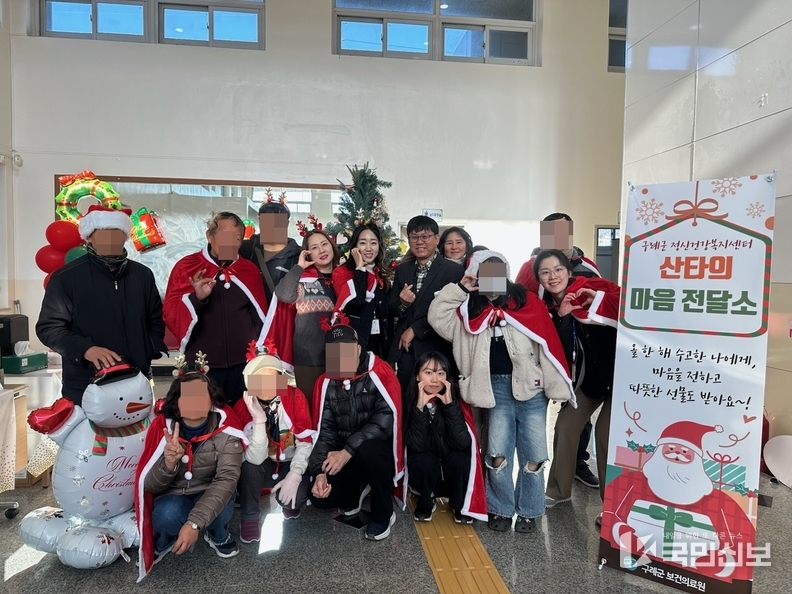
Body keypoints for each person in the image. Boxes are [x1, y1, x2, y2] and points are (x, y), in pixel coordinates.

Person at [428, 250, 574, 533]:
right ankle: (501, 508)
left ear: (506, 274)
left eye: (498, 273)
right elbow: (436, 315)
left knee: (534, 456)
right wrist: (460, 288)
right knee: (497, 454)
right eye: (486, 274)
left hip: (532, 389)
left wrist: (556, 386)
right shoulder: (469, 310)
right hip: (494, 389)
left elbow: (546, 344)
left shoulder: (526, 301)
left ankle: (529, 510)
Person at [36, 205, 167, 406]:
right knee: (89, 428)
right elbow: (49, 328)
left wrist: (150, 348)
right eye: (104, 232)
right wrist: (86, 349)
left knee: (139, 427)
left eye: (117, 232)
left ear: (125, 236)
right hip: (86, 381)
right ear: (89, 237)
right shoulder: (66, 278)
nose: (111, 239)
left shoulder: (142, 275)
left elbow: (155, 319)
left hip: (136, 379)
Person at [602, 421, 755, 582]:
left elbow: (744, 537)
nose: (677, 454)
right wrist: (622, 532)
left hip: (695, 577)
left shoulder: (720, 501)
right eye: (670, 449)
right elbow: (610, 510)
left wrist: (723, 561)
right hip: (635, 562)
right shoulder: (632, 481)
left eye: (684, 451)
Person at [516, 212, 602, 490]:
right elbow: (518, 305)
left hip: (585, 354)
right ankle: (537, 467)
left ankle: (577, 463)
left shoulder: (587, 267)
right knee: (543, 414)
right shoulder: (530, 267)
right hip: (546, 352)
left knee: (579, 414)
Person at [135, 369, 246, 580]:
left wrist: (193, 524)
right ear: (176, 402)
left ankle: (217, 534)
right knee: (166, 516)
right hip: (175, 493)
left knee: (221, 508)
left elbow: (226, 480)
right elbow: (148, 486)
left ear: (211, 400)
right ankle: (167, 536)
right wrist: (169, 464)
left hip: (211, 489)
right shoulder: (162, 430)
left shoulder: (226, 431)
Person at [534, 249, 618, 513]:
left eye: (558, 269)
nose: (553, 276)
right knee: (565, 427)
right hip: (588, 380)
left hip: (620, 380)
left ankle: (611, 506)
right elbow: (558, 349)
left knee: (605, 435)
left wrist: (598, 301)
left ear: (569, 271)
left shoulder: (593, 287)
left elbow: (630, 304)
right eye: (545, 272)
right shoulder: (545, 308)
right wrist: (563, 316)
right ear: (539, 278)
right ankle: (558, 490)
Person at [309, 319, 404, 541]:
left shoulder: (380, 372)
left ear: (359, 349)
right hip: (345, 453)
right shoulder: (326, 381)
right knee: (320, 498)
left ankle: (383, 513)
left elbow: (384, 423)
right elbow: (324, 431)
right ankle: (357, 488)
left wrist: (347, 451)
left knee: (370, 452)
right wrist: (318, 471)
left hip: (375, 451)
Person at [163, 212, 270, 406]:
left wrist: (262, 360)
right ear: (209, 236)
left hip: (245, 365)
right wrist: (197, 299)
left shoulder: (250, 269)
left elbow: (261, 318)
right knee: (196, 415)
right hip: (199, 367)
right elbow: (170, 313)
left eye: (237, 238)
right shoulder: (186, 266)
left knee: (250, 416)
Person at [233, 341, 314, 543]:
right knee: (249, 467)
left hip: (290, 461)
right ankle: (250, 517)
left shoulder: (295, 397)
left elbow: (305, 440)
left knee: (296, 499)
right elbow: (255, 457)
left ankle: (288, 499)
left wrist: (295, 475)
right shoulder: (243, 406)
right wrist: (259, 419)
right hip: (263, 464)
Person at [404, 351, 486, 524]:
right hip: (427, 471)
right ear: (417, 376)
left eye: (441, 373)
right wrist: (420, 409)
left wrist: (450, 406)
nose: (435, 379)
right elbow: (416, 446)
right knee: (420, 460)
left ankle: (459, 504)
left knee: (462, 459)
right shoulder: (408, 401)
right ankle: (426, 500)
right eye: (428, 373)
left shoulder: (457, 400)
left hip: (450, 470)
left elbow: (462, 443)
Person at [388, 215, 464, 392]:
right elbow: (392, 308)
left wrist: (416, 329)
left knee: (434, 400)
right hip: (404, 350)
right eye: (414, 237)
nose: (419, 242)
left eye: (425, 236)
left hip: (436, 347)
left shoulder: (452, 270)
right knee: (405, 398)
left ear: (437, 238)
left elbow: (451, 311)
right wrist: (402, 303)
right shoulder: (402, 269)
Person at [273, 227, 339, 411]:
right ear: (308, 253)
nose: (322, 250)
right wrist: (299, 267)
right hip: (309, 358)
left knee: (338, 411)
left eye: (324, 244)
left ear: (332, 246)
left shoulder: (343, 276)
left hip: (341, 355)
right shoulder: (303, 280)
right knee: (312, 409)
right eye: (315, 248)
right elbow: (283, 294)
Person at [332, 223, 392, 359]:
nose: (369, 248)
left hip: (376, 344)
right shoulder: (341, 272)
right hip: (347, 344)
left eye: (373, 243)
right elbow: (356, 301)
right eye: (363, 243)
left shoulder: (379, 274)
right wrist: (360, 268)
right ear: (354, 247)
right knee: (342, 373)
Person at [239, 196, 302, 305]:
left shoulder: (298, 256)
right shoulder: (244, 249)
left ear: (286, 224)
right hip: (247, 313)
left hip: (280, 314)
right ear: (260, 221)